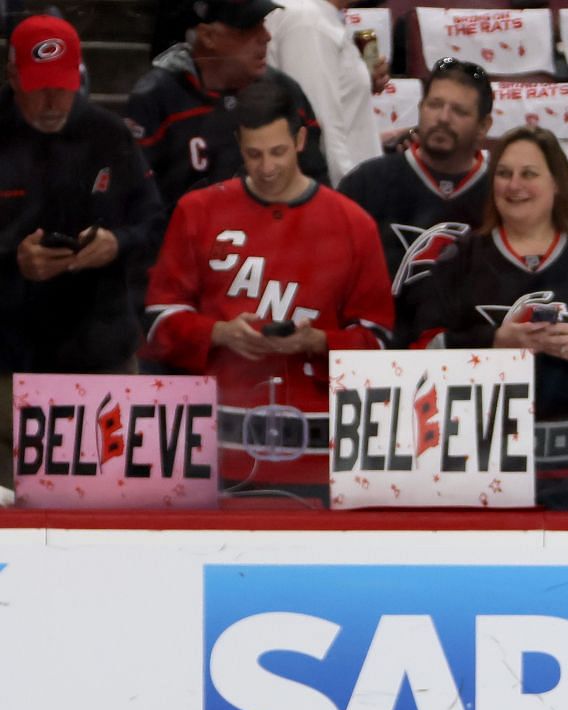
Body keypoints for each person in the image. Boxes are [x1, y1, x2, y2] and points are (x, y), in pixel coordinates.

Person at [142, 77, 392, 501]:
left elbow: (380, 345)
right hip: (212, 450)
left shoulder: (353, 224)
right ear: (239, 144)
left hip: (320, 453)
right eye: (254, 154)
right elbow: (157, 324)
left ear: (299, 139)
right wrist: (219, 333)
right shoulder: (198, 212)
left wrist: (317, 342)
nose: (267, 166)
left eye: (277, 151)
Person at [410, 126, 568, 511]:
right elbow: (419, 349)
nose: (514, 185)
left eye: (529, 174)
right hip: (479, 472)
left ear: (556, 184)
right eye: (504, 174)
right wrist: (493, 343)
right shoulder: (460, 260)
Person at [0, 14, 166, 484]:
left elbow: (153, 221)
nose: (53, 101)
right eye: (38, 87)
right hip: (9, 363)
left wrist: (117, 243)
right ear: (12, 76)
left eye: (62, 86)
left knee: (114, 501)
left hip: (101, 353)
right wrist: (14, 259)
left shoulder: (110, 135)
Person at [125, 0, 328, 213]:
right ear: (208, 36)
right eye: (249, 28)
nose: (266, 36)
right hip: (188, 239)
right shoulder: (157, 98)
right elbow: (138, 205)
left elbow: (316, 184)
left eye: (263, 23)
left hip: (275, 238)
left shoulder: (285, 91)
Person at [338, 57, 493, 332]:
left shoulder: (501, 194)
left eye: (459, 111)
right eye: (434, 105)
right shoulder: (366, 182)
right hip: (376, 352)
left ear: (483, 126)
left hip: (468, 356)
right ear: (421, 108)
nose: (443, 118)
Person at [265, 0, 385, 184]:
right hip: (343, 191)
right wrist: (346, 197)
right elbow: (321, 127)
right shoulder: (307, 19)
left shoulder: (317, 16)